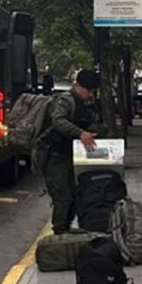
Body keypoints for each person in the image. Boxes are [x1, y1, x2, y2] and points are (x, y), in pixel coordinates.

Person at [35, 69, 100, 235]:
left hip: (67, 156)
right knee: (62, 197)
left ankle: (65, 231)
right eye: (89, 91)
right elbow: (58, 121)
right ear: (80, 86)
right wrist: (81, 133)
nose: (90, 95)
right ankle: (59, 235)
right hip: (53, 156)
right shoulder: (65, 101)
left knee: (72, 197)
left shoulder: (82, 104)